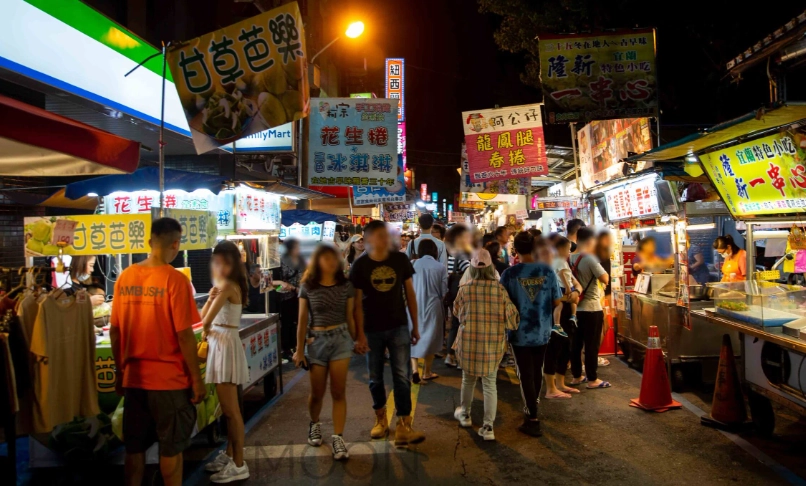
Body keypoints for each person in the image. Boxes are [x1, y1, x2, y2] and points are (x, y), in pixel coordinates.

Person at [110, 218, 206, 486]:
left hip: (134, 380)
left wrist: (120, 372)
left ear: (150, 242)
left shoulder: (125, 277)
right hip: (168, 381)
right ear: (175, 244)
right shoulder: (175, 280)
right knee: (171, 447)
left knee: (134, 447)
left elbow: (115, 331)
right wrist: (196, 379)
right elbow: (185, 335)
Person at [350, 221, 425, 447]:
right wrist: (359, 335)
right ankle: (381, 419)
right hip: (371, 329)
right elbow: (355, 304)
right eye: (380, 235)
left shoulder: (399, 259)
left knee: (402, 376)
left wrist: (416, 325)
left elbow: (410, 293)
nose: (386, 239)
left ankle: (404, 424)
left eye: (387, 235)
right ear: (369, 239)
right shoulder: (360, 265)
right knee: (375, 378)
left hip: (398, 326)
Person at [292, 245, 356, 461]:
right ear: (317, 261)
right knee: (317, 393)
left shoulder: (346, 286)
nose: (330, 262)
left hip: (341, 339)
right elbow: (302, 321)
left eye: (333, 258)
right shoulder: (307, 286)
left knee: (339, 391)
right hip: (316, 341)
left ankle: (338, 437)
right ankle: (315, 423)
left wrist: (358, 339)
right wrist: (299, 350)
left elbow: (350, 317)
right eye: (325, 258)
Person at [452, 249, 519, 441]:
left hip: (469, 342)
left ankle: (465, 415)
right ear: (491, 267)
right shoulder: (499, 290)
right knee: (490, 384)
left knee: (468, 379)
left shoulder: (465, 289)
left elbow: (457, 312)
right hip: (492, 343)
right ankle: (488, 427)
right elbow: (512, 319)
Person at [500, 232, 562, 437]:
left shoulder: (509, 274)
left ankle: (532, 417)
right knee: (537, 371)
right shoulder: (547, 271)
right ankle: (533, 410)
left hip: (519, 332)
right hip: (543, 329)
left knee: (525, 373)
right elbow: (556, 301)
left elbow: (502, 304)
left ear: (515, 250)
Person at [200, 241, 251, 482]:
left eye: (221, 262)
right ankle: (231, 455)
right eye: (215, 262)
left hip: (224, 345)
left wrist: (211, 302)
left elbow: (205, 321)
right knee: (230, 410)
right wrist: (210, 298)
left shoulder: (228, 285)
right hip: (223, 343)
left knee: (231, 411)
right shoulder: (225, 286)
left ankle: (239, 464)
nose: (217, 266)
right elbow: (205, 317)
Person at [569, 227, 611, 389]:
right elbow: (605, 278)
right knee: (591, 345)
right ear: (590, 241)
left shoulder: (567, 258)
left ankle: (576, 376)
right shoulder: (590, 259)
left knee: (576, 344)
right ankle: (593, 379)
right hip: (591, 308)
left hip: (574, 309)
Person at [410, 240, 448, 383]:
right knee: (431, 337)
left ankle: (414, 370)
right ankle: (426, 372)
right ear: (435, 251)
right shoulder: (440, 267)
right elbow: (444, 291)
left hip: (414, 306)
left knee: (414, 337)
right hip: (433, 305)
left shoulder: (413, 264)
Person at [444, 224, 473, 368]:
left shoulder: (447, 252)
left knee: (455, 324)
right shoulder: (460, 255)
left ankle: (450, 355)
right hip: (461, 293)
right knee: (462, 325)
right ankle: (459, 357)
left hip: (450, 292)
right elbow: (469, 272)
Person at [277, 239, 306, 359]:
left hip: (301, 295)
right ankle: (287, 349)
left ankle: (298, 347)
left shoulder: (301, 260)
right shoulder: (281, 261)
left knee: (299, 320)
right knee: (287, 322)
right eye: (296, 247)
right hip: (287, 296)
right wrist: (293, 288)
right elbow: (279, 281)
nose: (298, 249)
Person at [553, 237, 580, 325]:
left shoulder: (557, 261)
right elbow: (561, 273)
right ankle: (573, 315)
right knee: (573, 301)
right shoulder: (560, 261)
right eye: (568, 250)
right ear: (560, 249)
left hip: (561, 287)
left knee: (560, 305)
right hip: (564, 287)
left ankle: (557, 323)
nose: (569, 252)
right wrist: (568, 287)